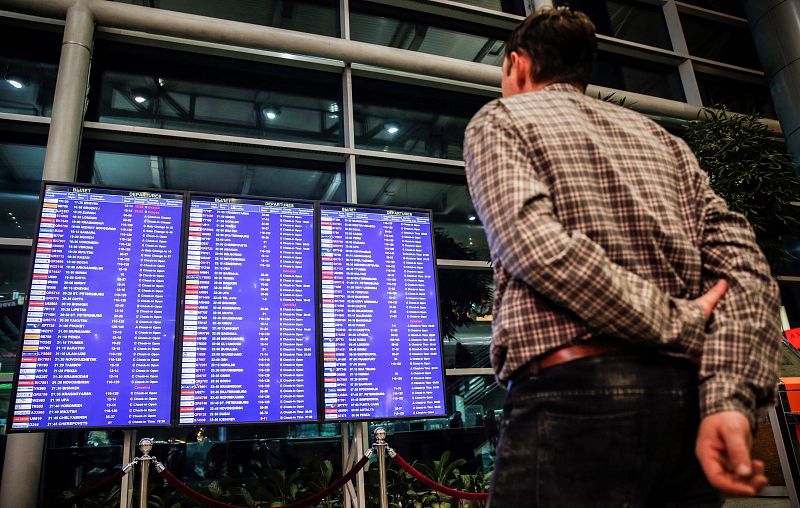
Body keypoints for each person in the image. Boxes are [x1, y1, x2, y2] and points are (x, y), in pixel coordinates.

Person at [463, 7, 781, 507]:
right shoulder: (667, 145)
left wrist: (675, 321)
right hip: (687, 409)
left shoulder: (502, 119)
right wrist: (728, 400)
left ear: (517, 65)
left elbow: (535, 246)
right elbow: (747, 273)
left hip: (574, 400)